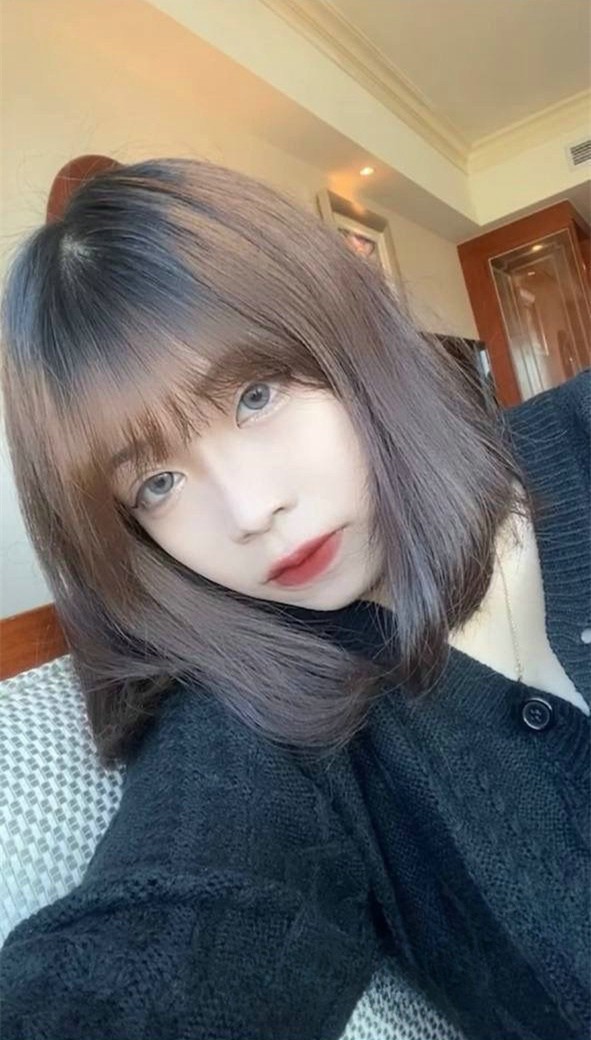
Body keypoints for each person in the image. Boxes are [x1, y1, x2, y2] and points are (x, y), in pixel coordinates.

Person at [0, 157, 588, 1040]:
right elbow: (174, 937)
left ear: (345, 334)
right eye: (157, 483)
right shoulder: (259, 716)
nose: (249, 512)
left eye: (255, 395)